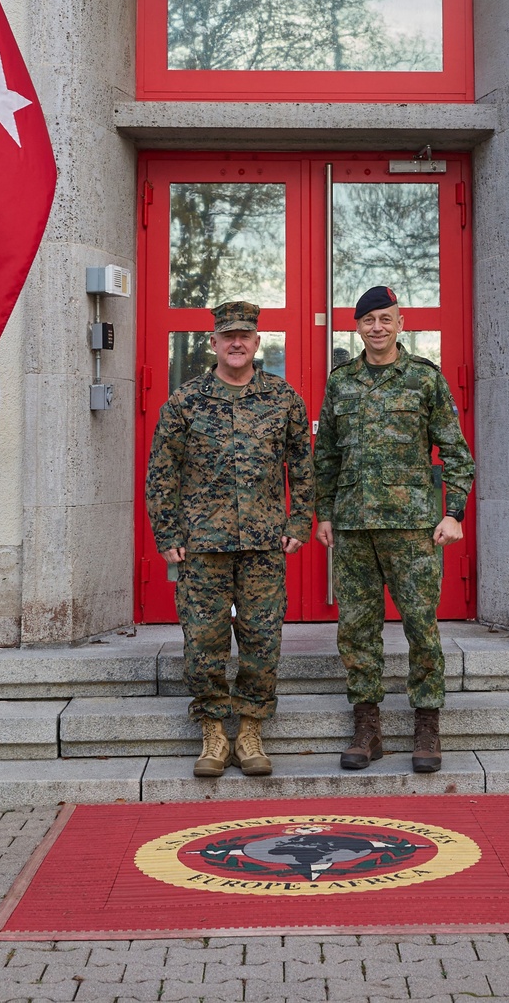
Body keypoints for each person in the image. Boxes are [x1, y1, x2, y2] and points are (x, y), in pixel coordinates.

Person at [146, 300, 313, 779]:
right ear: (214, 343)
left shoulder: (283, 400)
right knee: (204, 641)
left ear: (257, 343)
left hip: (263, 543)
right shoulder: (186, 401)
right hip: (202, 546)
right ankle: (215, 732)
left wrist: (299, 522)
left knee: (262, 639)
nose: (236, 343)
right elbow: (162, 471)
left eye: (245, 336)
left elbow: (302, 467)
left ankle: (253, 729)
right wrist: (168, 533)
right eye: (228, 336)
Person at [314, 286, 475, 773]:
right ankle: (368, 727)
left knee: (421, 628)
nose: (377, 328)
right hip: (355, 527)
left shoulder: (425, 379)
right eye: (368, 321)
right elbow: (326, 457)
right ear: (357, 328)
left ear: (400, 324)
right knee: (357, 630)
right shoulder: (341, 382)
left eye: (386, 319)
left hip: (413, 530)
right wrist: (323, 513)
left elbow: (456, 452)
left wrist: (455, 513)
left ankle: (427, 726)